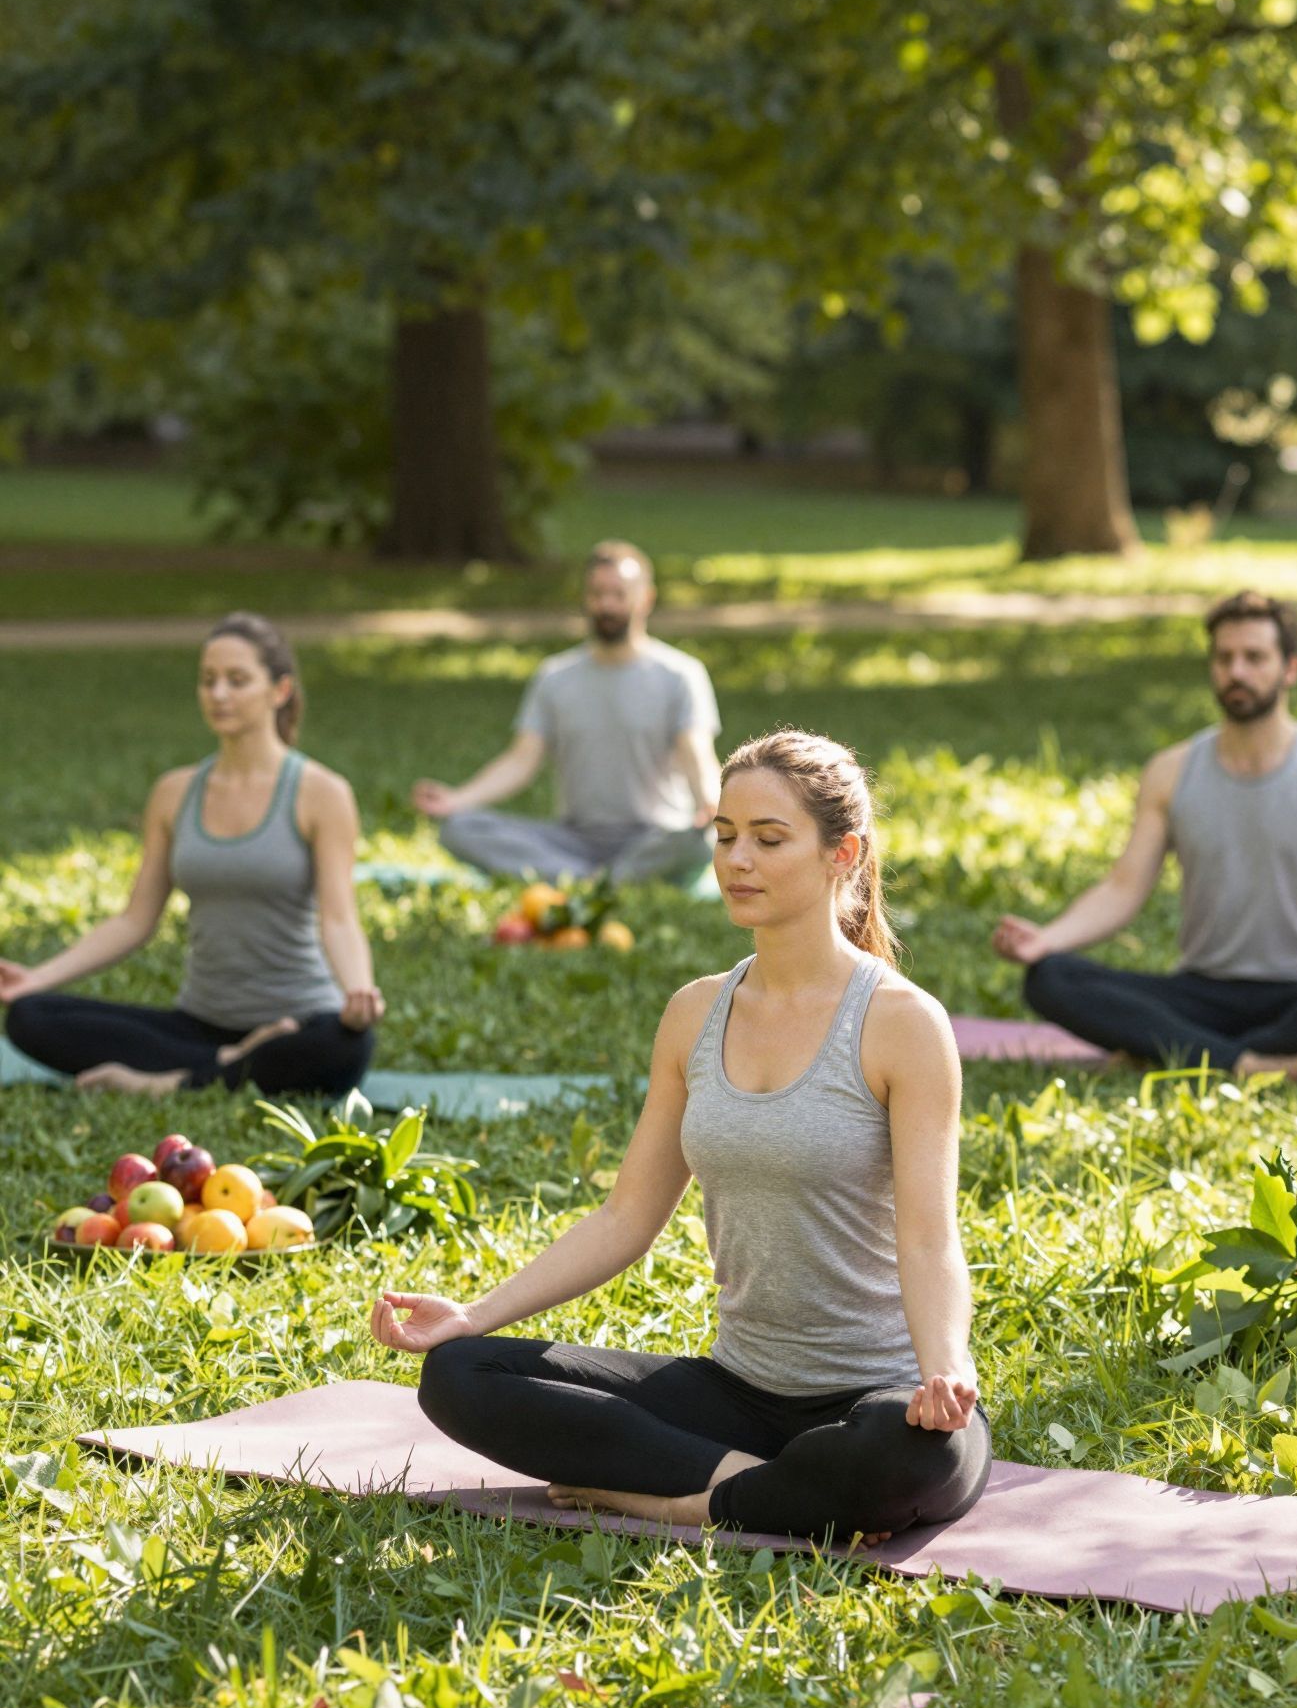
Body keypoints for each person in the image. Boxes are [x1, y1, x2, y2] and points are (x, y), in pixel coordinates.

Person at [372, 729, 991, 1543]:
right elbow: (626, 1218)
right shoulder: (695, 1013)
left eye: (769, 840)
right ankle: (759, 1490)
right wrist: (475, 1315)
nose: (737, 860)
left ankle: (677, 1497)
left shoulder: (902, 1024)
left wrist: (946, 1367)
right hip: (734, 1395)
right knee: (459, 1376)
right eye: (725, 835)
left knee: (909, 1460)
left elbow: (929, 1237)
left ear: (843, 853)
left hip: (876, 1399)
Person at [994, 590, 1297, 1086]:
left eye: (1255, 657)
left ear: (1290, 669)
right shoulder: (1170, 772)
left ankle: (1182, 1052)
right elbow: (1122, 888)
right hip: (1202, 995)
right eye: (1224, 658)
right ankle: (1257, 1065)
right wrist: (1047, 940)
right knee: (1049, 978)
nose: (1236, 671)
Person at [1, 613, 384, 1097]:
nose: (218, 694)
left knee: (346, 1046)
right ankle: (228, 1064)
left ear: (280, 690)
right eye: (208, 680)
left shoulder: (321, 793)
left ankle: (163, 1083)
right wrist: (36, 977)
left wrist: (358, 992)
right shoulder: (174, 792)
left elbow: (340, 918)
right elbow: (135, 921)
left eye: (237, 680)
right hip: (199, 1023)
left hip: (299, 1021)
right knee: (30, 1017)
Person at [412, 540, 721, 885]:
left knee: (701, 842)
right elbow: (521, 761)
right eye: (597, 593)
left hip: (654, 838)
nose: (606, 604)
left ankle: (586, 880)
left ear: (645, 599)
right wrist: (457, 799)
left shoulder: (681, 674)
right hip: (571, 841)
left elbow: (697, 753)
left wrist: (709, 802)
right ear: (585, 598)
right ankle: (604, 879)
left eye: (619, 594)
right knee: (459, 828)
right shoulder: (554, 677)